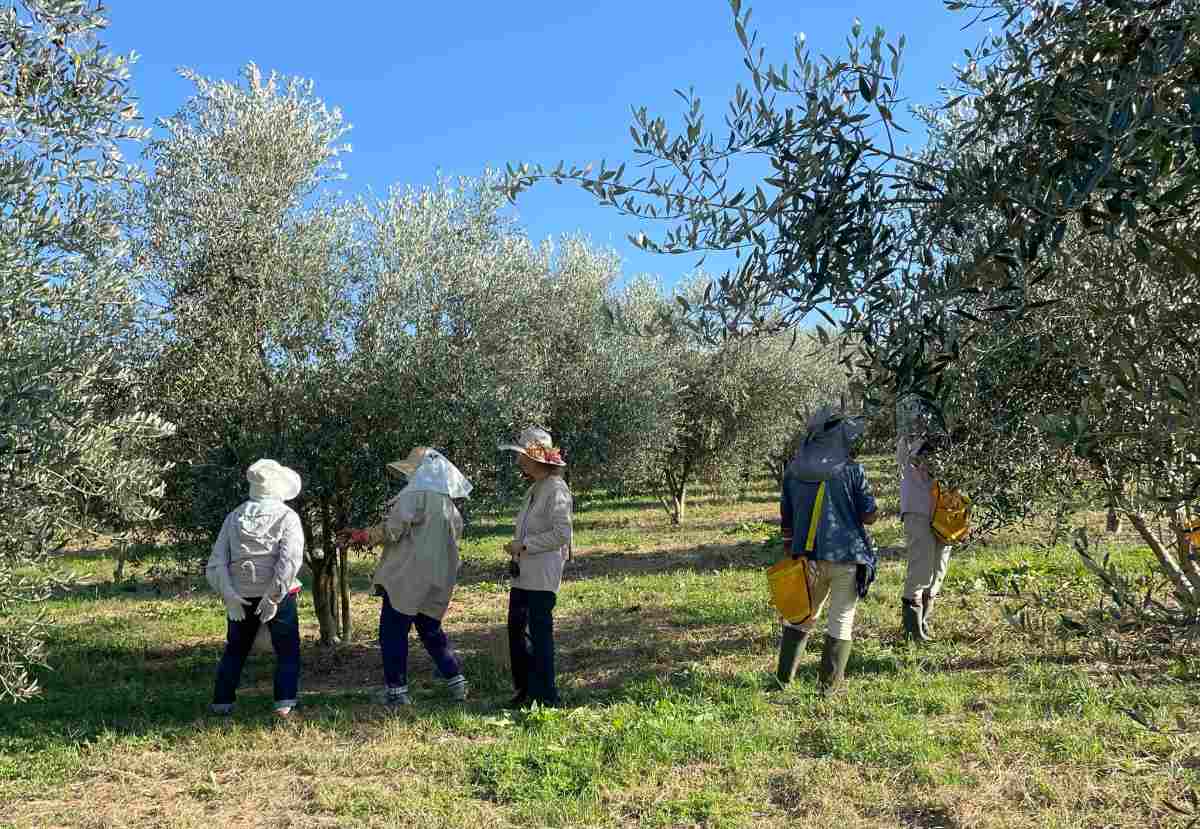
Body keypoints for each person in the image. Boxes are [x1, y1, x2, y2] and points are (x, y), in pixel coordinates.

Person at [341, 447, 473, 706]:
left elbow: (393, 530)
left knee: (392, 632)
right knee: (430, 630)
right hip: (437, 579)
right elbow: (454, 538)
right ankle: (456, 682)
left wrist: (363, 535)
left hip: (406, 576)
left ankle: (397, 692)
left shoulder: (414, 496)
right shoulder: (448, 505)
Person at [775, 408, 878, 696]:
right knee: (841, 620)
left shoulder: (794, 472)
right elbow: (869, 516)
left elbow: (787, 520)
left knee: (801, 617)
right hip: (848, 556)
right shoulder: (852, 470)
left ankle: (783, 681)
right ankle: (827, 690)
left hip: (807, 559)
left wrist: (792, 550)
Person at [207, 459, 305, 718]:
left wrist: (230, 595)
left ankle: (222, 703)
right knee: (287, 649)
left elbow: (217, 561)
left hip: (241, 594)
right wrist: (274, 596)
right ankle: (285, 703)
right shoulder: (287, 516)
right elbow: (290, 560)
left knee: (236, 649)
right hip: (279, 595)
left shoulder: (234, 516)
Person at [499, 427, 573, 709]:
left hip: (541, 575)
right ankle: (525, 691)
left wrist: (525, 545)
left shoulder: (557, 489)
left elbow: (562, 533)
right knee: (518, 633)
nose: (518, 461)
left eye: (522, 455)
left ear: (536, 459)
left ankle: (545, 696)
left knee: (538, 635)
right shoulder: (535, 488)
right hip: (524, 573)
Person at [897, 435, 950, 642]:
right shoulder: (910, 440)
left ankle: (923, 622)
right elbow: (903, 456)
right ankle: (913, 632)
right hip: (917, 509)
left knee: (938, 569)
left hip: (945, 512)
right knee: (921, 569)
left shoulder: (949, 433)